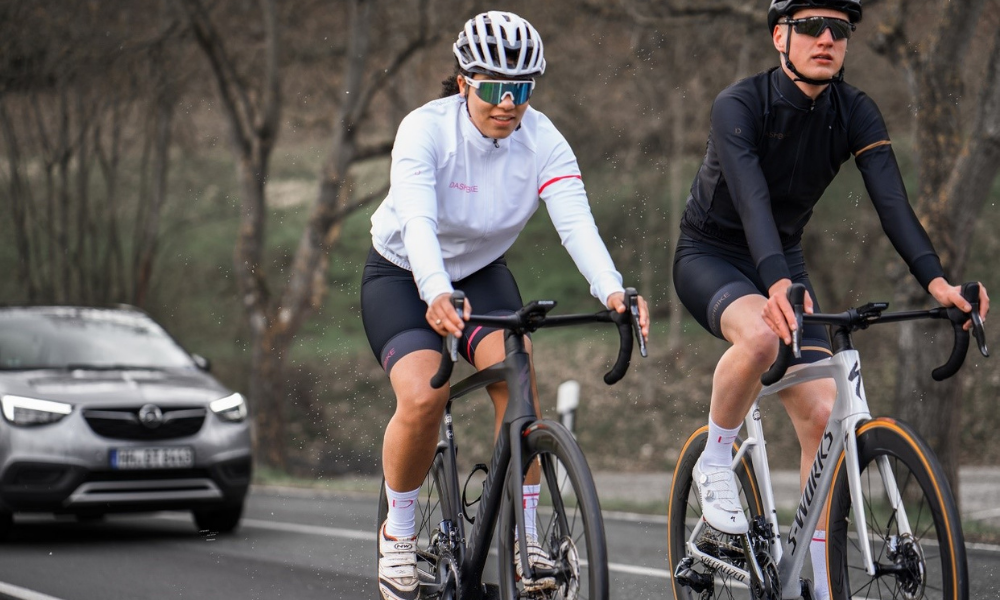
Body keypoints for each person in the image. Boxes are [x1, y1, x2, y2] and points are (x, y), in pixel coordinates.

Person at [671, 1, 990, 598]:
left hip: (782, 260)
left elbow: (893, 202)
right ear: (778, 37)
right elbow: (752, 203)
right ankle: (716, 456)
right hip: (711, 254)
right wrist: (772, 285)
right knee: (764, 336)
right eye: (811, 27)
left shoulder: (854, 110)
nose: (826, 39)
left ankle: (813, 575)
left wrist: (937, 282)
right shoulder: (739, 104)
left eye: (839, 30)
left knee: (822, 414)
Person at [361, 11, 650, 600]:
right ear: (465, 81)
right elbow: (417, 220)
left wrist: (614, 290)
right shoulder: (425, 130)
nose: (508, 103)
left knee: (519, 385)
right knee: (424, 394)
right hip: (401, 271)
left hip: (482, 275)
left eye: (521, 89)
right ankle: (399, 528)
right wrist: (434, 290)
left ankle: (523, 538)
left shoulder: (543, 141)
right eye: (494, 87)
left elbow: (577, 225)